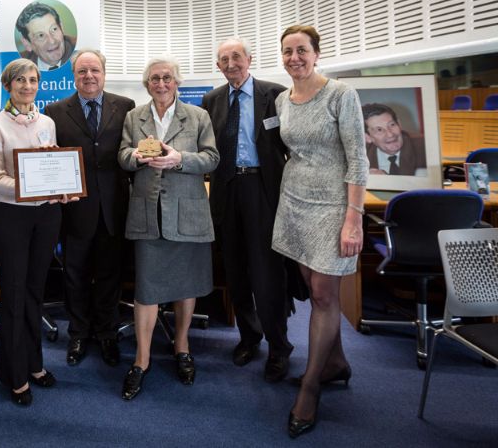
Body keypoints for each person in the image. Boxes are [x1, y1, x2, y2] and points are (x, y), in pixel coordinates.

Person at [272, 25, 368, 438]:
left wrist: (354, 218)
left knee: (325, 295)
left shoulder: (341, 94)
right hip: (294, 203)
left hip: (333, 207)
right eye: (288, 51)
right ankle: (336, 363)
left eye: (302, 50)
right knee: (314, 291)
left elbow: (358, 159)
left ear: (316, 53)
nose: (294, 58)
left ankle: (310, 388)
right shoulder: (282, 99)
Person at [117, 55, 219, 400]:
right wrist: (135, 157)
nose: (161, 84)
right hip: (147, 213)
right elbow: (122, 155)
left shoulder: (198, 116)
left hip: (187, 213)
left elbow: (212, 158)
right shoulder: (134, 116)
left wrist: (179, 159)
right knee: (146, 288)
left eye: (167, 78)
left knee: (186, 284)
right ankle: (142, 359)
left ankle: (182, 346)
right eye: (154, 79)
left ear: (177, 82)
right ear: (147, 84)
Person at [0, 58, 75, 405]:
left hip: (47, 216)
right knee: (14, 295)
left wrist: (62, 188)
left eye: (33, 80)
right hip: (13, 217)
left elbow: (54, 167)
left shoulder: (47, 122)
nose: (28, 86)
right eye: (20, 80)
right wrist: (36, 187)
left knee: (36, 292)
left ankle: (35, 364)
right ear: (8, 85)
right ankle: (14, 374)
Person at [201, 38, 293, 382]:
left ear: (249, 60)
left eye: (236, 57)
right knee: (236, 270)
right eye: (224, 59)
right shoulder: (211, 100)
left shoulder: (276, 94)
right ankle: (249, 337)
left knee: (267, 273)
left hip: (262, 189)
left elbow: (291, 144)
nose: (231, 64)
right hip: (226, 190)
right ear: (218, 66)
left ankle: (279, 346)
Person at [45, 49, 136, 367]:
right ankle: (79, 333)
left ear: (104, 73)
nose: (89, 76)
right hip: (75, 209)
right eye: (82, 71)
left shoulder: (125, 106)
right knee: (75, 276)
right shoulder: (55, 111)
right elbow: (50, 156)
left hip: (114, 207)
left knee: (111, 275)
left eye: (94, 70)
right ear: (73, 76)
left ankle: (108, 333)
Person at [362, 103, 427, 175]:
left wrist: (384, 180)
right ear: (367, 137)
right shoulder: (359, 158)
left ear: (399, 124)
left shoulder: (425, 148)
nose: (390, 134)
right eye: (379, 130)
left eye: (392, 125)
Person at [16, 1, 77, 71]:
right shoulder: (20, 65)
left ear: (61, 28)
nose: (52, 41)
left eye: (54, 29)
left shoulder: (79, 52)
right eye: (41, 35)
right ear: (27, 44)